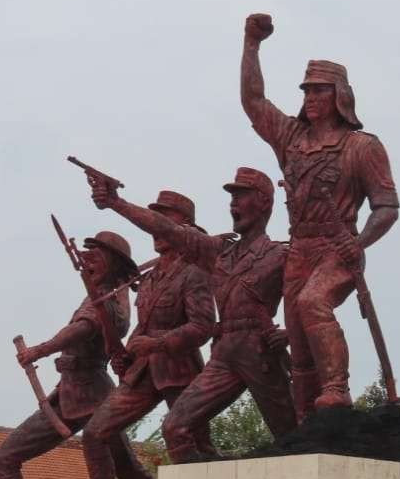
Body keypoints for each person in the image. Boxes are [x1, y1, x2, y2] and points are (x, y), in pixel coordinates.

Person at [240, 13, 399, 416]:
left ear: (339, 96)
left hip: (338, 247)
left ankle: (337, 388)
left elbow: (387, 207)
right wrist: (251, 45)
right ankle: (308, 421)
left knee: (314, 303)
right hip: (300, 249)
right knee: (298, 341)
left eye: (319, 91)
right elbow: (253, 102)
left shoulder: (362, 146)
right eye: (307, 91)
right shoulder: (292, 139)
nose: (310, 98)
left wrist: (358, 242)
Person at [89, 166, 297, 462]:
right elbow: (167, 229)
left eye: (241, 196)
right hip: (224, 353)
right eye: (231, 198)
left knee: (292, 437)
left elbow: (306, 302)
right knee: (175, 428)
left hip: (260, 351)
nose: (233, 204)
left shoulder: (280, 254)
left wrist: (289, 333)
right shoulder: (218, 251)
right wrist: (115, 202)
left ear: (264, 202)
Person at [0, 231, 149, 479]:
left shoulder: (111, 305)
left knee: (129, 471)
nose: (87, 261)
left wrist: (41, 350)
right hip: (71, 391)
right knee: (3, 459)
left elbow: (83, 329)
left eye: (96, 257)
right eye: (86, 257)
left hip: (94, 392)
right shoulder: (96, 296)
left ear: (114, 265)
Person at [75, 191, 215, 479]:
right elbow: (144, 322)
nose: (155, 228)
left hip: (179, 369)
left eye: (164, 219)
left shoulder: (195, 271)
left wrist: (157, 342)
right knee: (95, 433)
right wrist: (126, 350)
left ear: (184, 225)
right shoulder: (150, 279)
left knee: (193, 444)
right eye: (155, 219)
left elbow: (203, 326)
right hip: (144, 371)